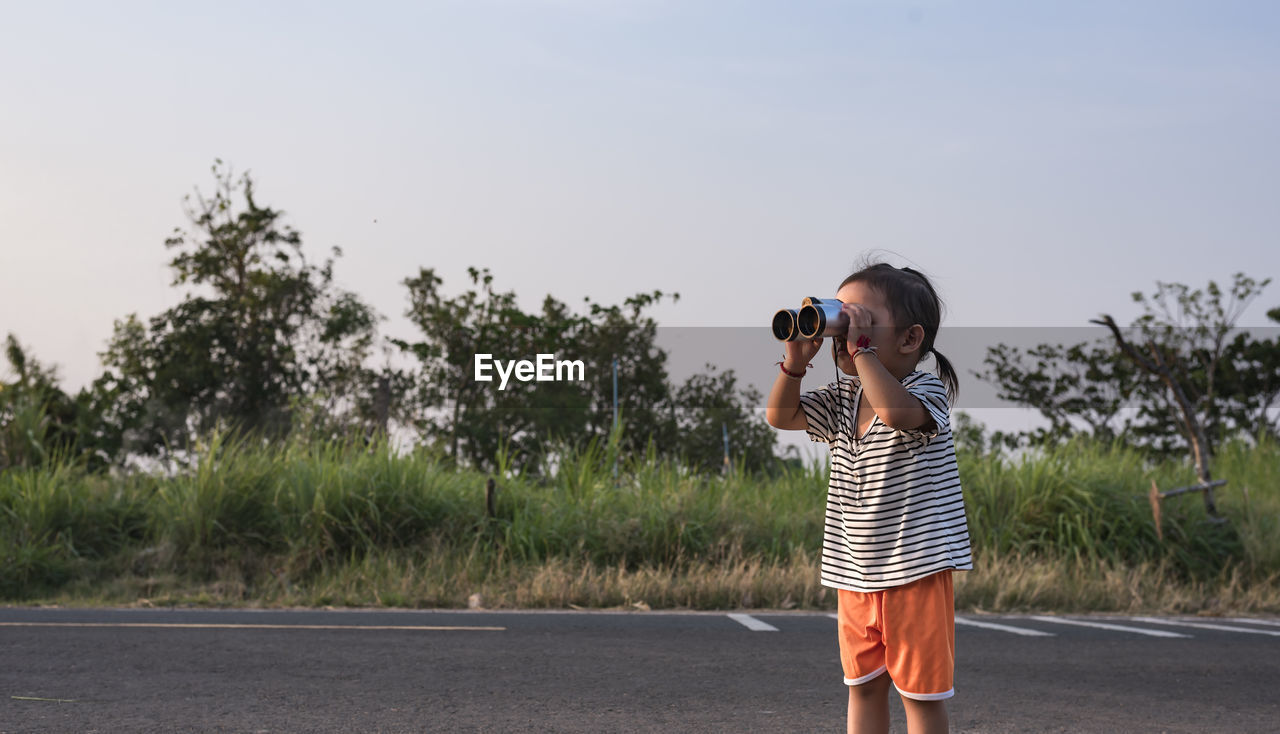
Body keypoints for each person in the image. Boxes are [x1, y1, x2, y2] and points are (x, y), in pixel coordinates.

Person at [766, 261, 972, 734]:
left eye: (861, 321)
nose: (845, 334)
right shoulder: (845, 398)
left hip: (915, 568)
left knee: (919, 694)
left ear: (909, 339)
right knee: (863, 687)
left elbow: (898, 414)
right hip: (854, 570)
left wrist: (861, 354)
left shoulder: (923, 389)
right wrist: (796, 363)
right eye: (841, 318)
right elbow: (781, 415)